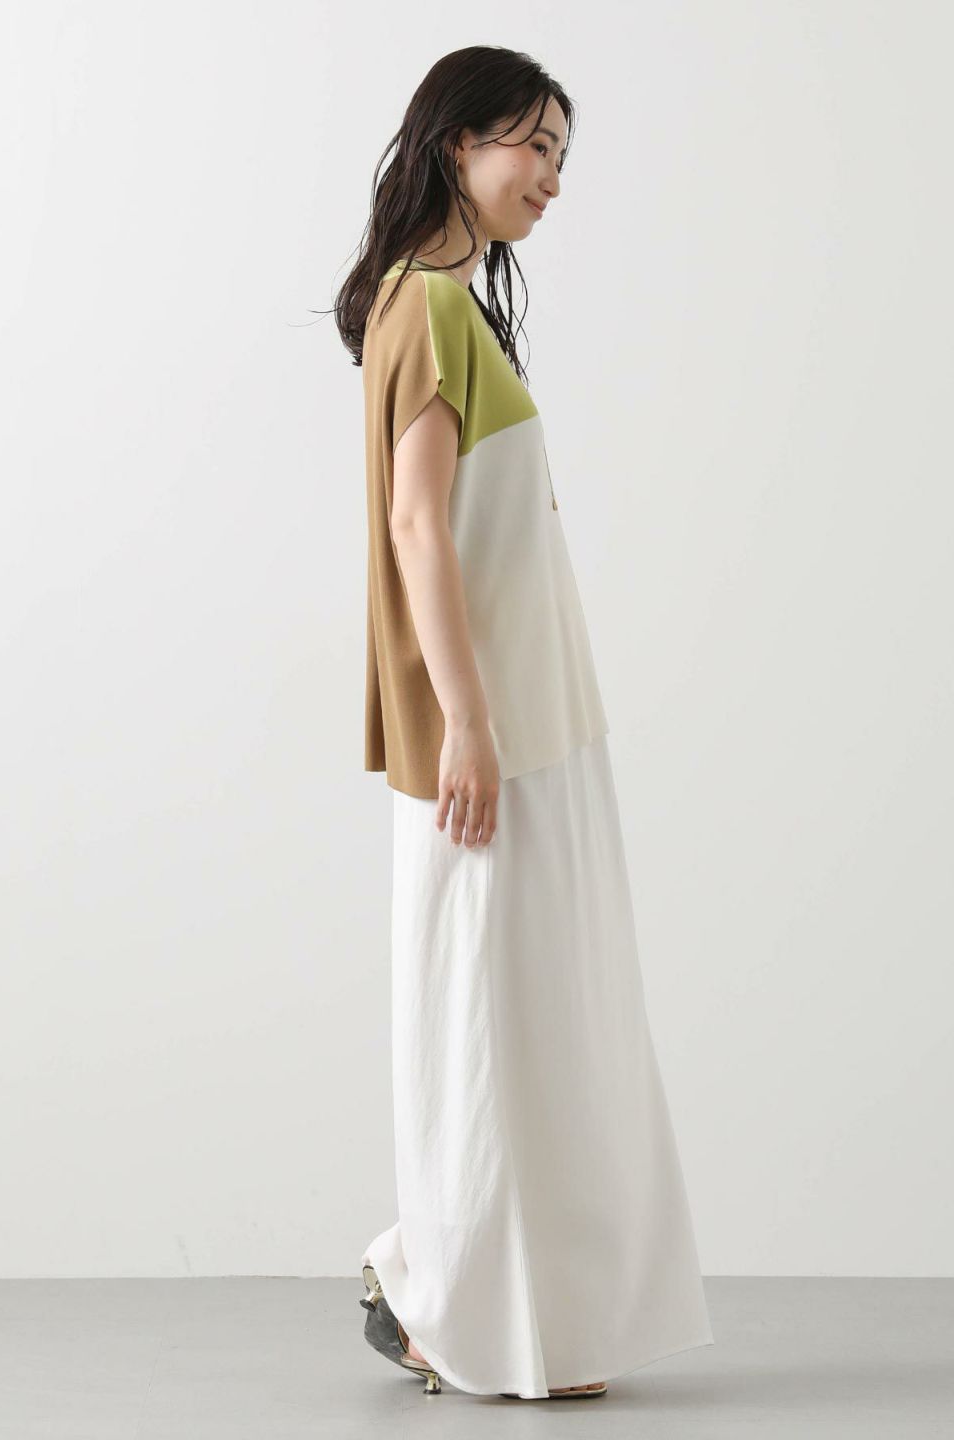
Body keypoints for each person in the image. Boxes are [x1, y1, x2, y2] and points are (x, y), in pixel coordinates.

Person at [331, 45, 714, 1400]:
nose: (551, 177)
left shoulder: (435, 305)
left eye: (561, 153)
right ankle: (445, 1302)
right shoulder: (432, 306)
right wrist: (469, 726)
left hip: (531, 729)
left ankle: (504, 1307)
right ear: (458, 144)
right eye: (531, 145)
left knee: (526, 1017)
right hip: (492, 741)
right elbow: (418, 527)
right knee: (490, 1024)